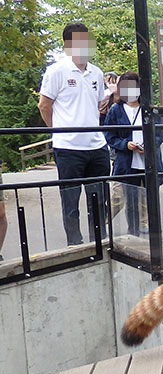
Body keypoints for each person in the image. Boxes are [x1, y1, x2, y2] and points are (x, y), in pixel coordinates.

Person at [38, 22, 109, 246]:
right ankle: (75, 245)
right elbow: (44, 105)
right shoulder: (56, 71)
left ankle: (99, 241)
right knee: (70, 201)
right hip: (68, 147)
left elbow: (98, 106)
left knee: (98, 199)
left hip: (97, 146)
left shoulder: (96, 73)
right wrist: (57, 131)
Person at [104, 71, 163, 236]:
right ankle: (133, 233)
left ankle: (152, 236)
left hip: (148, 162)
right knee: (129, 202)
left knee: (148, 201)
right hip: (127, 164)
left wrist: (149, 145)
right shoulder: (116, 110)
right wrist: (125, 144)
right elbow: (109, 135)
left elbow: (160, 134)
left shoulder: (149, 109)